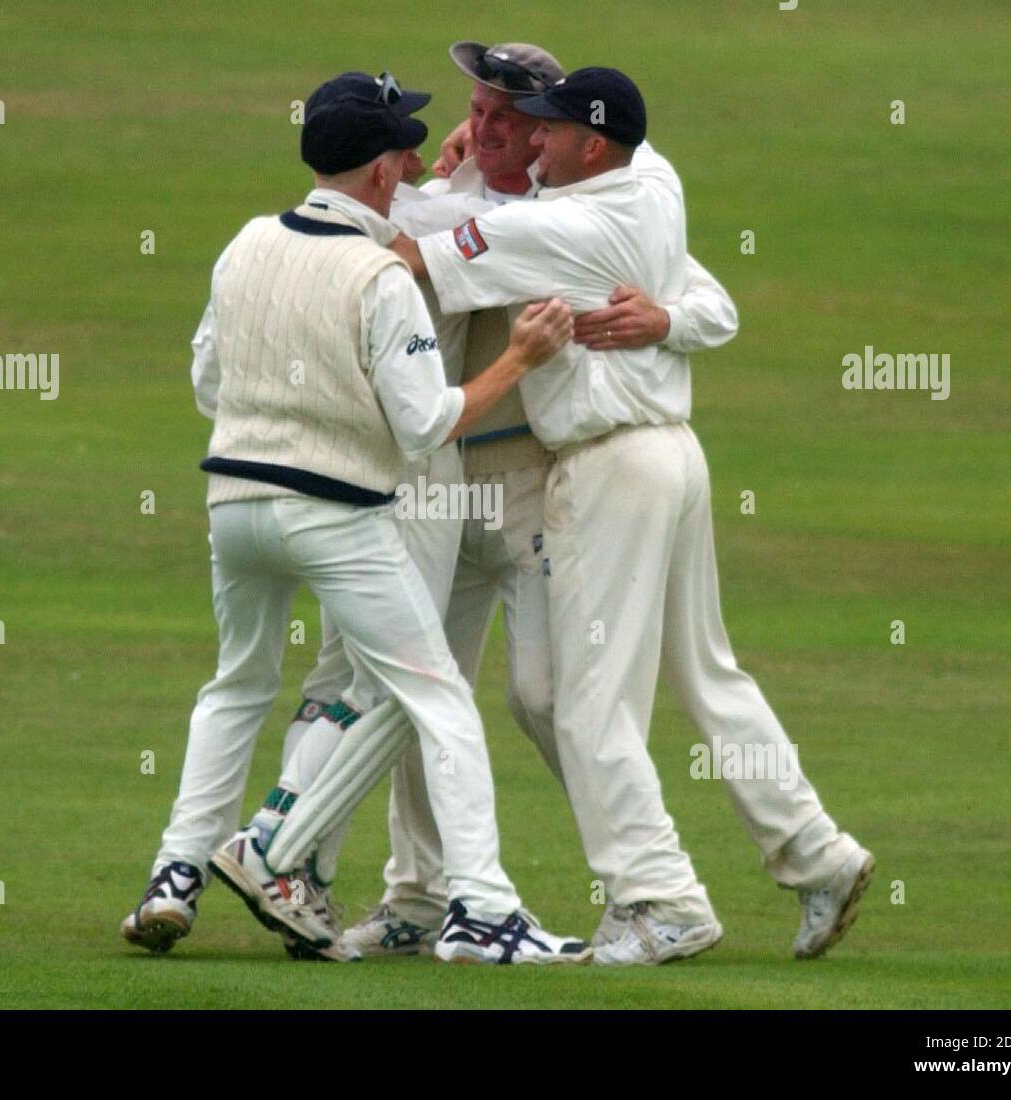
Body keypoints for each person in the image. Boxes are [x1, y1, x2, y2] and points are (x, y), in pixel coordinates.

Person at [391, 67, 874, 965]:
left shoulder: (551, 224)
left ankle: (660, 900)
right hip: (675, 457)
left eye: (547, 129)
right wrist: (669, 319)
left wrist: (443, 185)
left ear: (593, 146)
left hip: (610, 466)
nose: (530, 140)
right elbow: (716, 303)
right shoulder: (655, 185)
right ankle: (818, 854)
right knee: (706, 674)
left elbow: (412, 251)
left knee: (587, 702)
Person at [120, 69, 589, 966]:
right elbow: (426, 424)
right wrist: (521, 355)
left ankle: (175, 874)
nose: (418, 158)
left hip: (232, 508)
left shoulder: (245, 244)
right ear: (379, 174)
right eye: (403, 149)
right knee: (439, 699)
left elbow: (208, 383)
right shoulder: (380, 276)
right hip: (334, 515)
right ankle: (481, 911)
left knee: (237, 685)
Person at [339, 40, 742, 959]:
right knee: (420, 686)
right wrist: (440, 183)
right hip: (437, 483)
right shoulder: (465, 196)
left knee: (552, 693)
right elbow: (396, 239)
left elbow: (711, 300)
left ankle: (654, 885)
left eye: (512, 122)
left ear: (560, 140)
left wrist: (669, 318)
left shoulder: (582, 213)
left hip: (534, 480)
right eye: (476, 112)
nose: (485, 130)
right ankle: (418, 895)